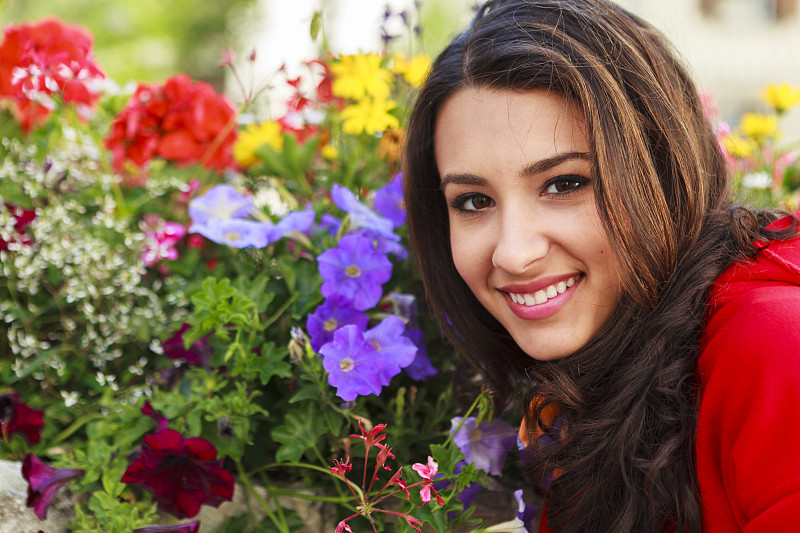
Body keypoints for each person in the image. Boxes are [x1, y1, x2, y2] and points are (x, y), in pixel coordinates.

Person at [402, 0, 800, 531]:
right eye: (474, 201)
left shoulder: (774, 343)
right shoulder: (594, 385)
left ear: (662, 171)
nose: (513, 253)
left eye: (565, 184)